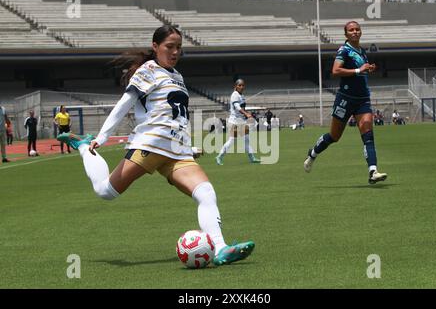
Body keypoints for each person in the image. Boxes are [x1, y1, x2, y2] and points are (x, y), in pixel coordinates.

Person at [57, 25, 255, 266]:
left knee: (206, 193)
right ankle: (83, 147)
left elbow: (177, 118)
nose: (174, 52)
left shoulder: (178, 77)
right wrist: (103, 135)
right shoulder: (148, 70)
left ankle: (221, 248)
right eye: (169, 47)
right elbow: (124, 103)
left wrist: (189, 147)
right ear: (155, 47)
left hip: (178, 152)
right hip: (150, 145)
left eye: (179, 48)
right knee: (105, 191)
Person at [303, 21, 387, 184]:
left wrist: (367, 69)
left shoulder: (362, 51)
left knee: (368, 133)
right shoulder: (344, 50)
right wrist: (358, 70)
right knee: (334, 136)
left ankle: (373, 171)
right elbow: (335, 71)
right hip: (345, 99)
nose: (355, 32)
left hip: (362, 99)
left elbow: (361, 71)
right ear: (346, 34)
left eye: (357, 29)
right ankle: (312, 154)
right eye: (351, 30)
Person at [215, 79, 260, 166]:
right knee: (232, 140)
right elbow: (237, 107)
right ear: (235, 86)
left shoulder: (241, 95)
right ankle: (219, 157)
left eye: (243, 85)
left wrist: (246, 115)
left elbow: (242, 108)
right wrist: (246, 114)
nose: (241, 87)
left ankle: (252, 158)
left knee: (247, 139)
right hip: (234, 121)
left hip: (242, 121)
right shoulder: (234, 95)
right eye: (239, 85)